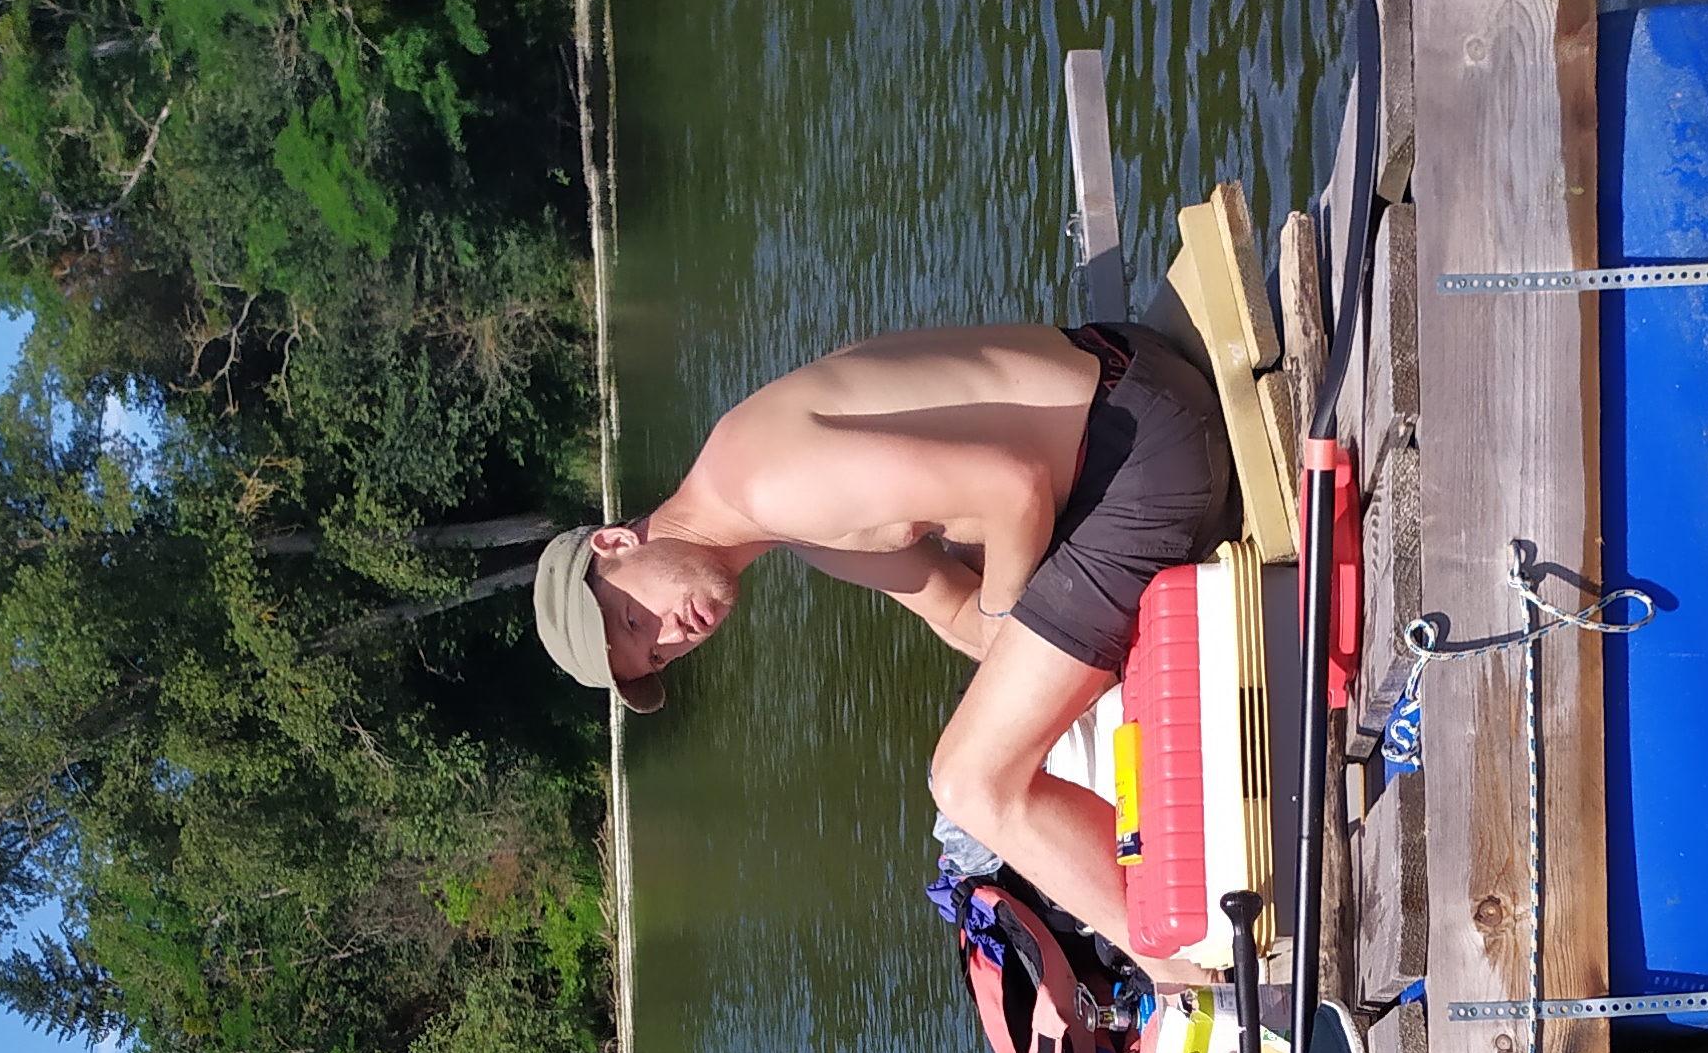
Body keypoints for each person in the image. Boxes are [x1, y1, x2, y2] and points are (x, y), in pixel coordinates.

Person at [527, 323, 1241, 971]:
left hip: (1141, 446)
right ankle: (1180, 897)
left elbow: (1015, 489)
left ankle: (1196, 979)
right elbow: (954, 608)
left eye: (630, 619)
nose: (669, 637)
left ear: (617, 543)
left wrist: (1004, 635)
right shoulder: (788, 526)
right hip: (1123, 427)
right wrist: (1007, 659)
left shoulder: (766, 480)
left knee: (970, 782)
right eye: (653, 656)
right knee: (1005, 738)